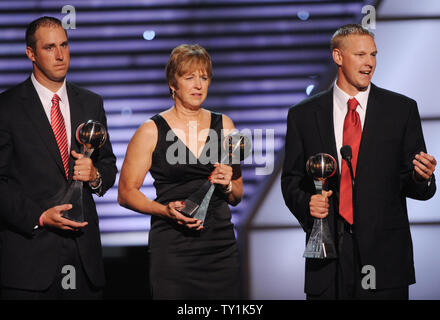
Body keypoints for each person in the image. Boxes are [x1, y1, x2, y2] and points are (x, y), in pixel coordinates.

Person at [281, 24, 436, 300]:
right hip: (327, 258)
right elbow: (291, 179)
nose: (369, 63)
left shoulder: (401, 110)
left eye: (373, 55)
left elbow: (417, 187)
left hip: (384, 257)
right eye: (361, 55)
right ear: (338, 57)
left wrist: (421, 177)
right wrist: (308, 204)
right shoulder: (303, 115)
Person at [0, 16, 117, 299]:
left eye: (64, 44)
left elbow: (108, 165)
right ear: (31, 53)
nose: (60, 54)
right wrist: (39, 216)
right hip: (29, 261)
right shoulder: (7, 107)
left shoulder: (91, 102)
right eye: (50, 47)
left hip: (83, 256)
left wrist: (95, 176)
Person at [118, 44, 243, 299]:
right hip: (174, 251)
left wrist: (228, 185)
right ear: (173, 84)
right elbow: (126, 193)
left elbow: (237, 194)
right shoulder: (151, 131)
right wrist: (165, 210)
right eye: (189, 78)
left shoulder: (226, 125)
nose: (198, 85)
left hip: (220, 249)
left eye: (204, 78)